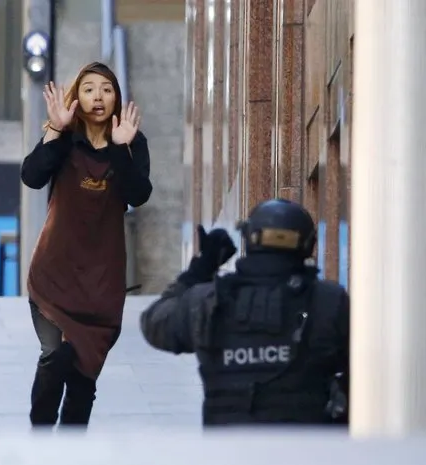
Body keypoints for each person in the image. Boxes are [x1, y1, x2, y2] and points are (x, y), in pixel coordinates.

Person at [21, 61, 152, 428]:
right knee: (55, 355)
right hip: (55, 274)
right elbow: (31, 177)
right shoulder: (62, 139)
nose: (98, 96)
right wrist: (53, 131)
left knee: (84, 375)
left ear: (117, 98)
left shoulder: (131, 141)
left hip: (102, 281)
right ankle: (40, 441)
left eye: (107, 89)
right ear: (77, 96)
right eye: (90, 88)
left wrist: (121, 150)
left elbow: (138, 195)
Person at [139, 198, 349, 426]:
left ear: (248, 239)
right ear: (308, 245)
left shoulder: (208, 301)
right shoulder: (330, 302)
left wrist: (201, 268)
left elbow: (155, 324)